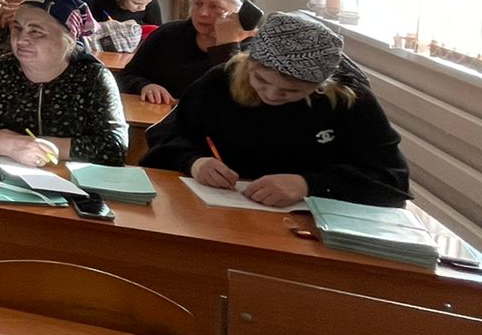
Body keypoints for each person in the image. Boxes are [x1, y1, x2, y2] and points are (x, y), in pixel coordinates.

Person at [143, 12, 409, 207]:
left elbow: (391, 179)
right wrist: (194, 162)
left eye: (291, 91)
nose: (271, 94)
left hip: (310, 226)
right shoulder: (221, 80)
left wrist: (308, 184)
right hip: (221, 210)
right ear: (248, 64)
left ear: (320, 86)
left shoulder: (350, 101)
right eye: (260, 80)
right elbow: (166, 134)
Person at [0, 0, 128, 165]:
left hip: (68, 181)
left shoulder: (93, 78)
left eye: (36, 32)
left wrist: (45, 147)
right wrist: (7, 144)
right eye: (17, 28)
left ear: (69, 38)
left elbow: (114, 147)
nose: (21, 39)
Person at [117, 0, 260, 104]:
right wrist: (144, 86)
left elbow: (234, 97)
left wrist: (227, 45)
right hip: (157, 118)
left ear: (237, 13)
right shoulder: (168, 33)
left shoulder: (251, 49)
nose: (202, 13)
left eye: (215, 7)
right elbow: (126, 75)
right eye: (198, 4)